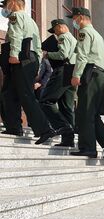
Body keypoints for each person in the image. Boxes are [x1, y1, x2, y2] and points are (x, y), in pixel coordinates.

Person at [1, 0, 58, 143]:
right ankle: (14, 127)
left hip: (20, 57)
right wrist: (37, 63)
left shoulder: (15, 16)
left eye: (5, 4)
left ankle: (45, 129)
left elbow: (16, 36)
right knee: (9, 93)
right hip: (30, 58)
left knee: (25, 95)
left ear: (13, 2)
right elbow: (38, 45)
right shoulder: (31, 21)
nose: (4, 8)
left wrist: (14, 54)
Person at [68, 7, 104, 158]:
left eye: (74, 18)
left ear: (81, 17)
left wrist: (76, 75)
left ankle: (88, 148)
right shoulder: (97, 34)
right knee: (94, 114)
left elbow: (82, 56)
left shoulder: (84, 33)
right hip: (100, 75)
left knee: (84, 112)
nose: (73, 21)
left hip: (90, 74)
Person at [40, 19, 77, 147]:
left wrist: (47, 54)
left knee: (45, 100)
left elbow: (63, 54)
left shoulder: (63, 37)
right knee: (66, 108)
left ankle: (62, 126)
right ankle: (68, 140)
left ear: (60, 27)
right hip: (71, 71)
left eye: (54, 30)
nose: (55, 34)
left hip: (62, 70)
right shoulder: (73, 39)